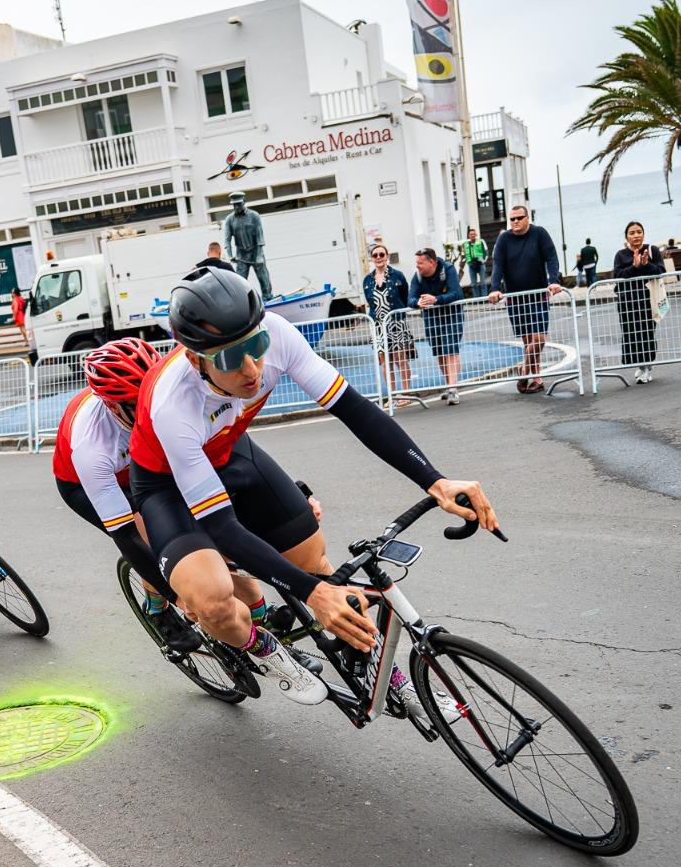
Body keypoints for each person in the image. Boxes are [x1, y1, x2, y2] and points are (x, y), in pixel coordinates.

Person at [128, 265, 496, 709]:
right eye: (229, 358)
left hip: (227, 453)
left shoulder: (278, 334)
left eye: (256, 346)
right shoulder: (173, 402)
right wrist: (312, 594)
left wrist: (434, 480)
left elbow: (355, 410)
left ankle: (372, 655)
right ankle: (262, 649)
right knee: (213, 602)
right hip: (165, 484)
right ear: (195, 359)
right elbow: (222, 526)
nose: (252, 369)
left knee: (314, 562)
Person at [54, 338, 202, 653]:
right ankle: (157, 608)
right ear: (112, 405)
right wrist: (179, 595)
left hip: (139, 464)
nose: (149, 408)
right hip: (83, 483)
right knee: (151, 538)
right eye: (137, 404)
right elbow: (128, 537)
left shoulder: (159, 403)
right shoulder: (91, 446)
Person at [488, 205, 563, 393]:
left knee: (539, 338)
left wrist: (553, 281)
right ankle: (537, 378)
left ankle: (524, 370)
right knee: (528, 340)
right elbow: (498, 265)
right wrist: (495, 288)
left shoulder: (539, 233)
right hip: (516, 298)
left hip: (538, 295)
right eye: (511, 219)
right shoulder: (504, 239)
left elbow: (551, 258)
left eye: (519, 218)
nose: (515, 222)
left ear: (527, 218)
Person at [612, 221, 667, 384]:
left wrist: (646, 264)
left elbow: (661, 271)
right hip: (627, 302)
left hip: (648, 300)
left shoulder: (652, 251)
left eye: (639, 232)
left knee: (647, 333)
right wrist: (634, 267)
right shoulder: (620, 255)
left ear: (644, 234)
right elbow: (618, 276)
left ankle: (647, 367)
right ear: (626, 236)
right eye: (632, 233)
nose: (636, 235)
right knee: (631, 335)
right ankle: (641, 365)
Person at [409, 248, 465, 405]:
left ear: (431, 262)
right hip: (431, 318)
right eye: (417, 263)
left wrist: (436, 299)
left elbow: (456, 293)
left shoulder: (447, 269)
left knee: (451, 349)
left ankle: (453, 389)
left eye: (420, 263)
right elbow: (410, 298)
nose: (417, 266)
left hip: (452, 315)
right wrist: (417, 303)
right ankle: (449, 385)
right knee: (440, 352)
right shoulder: (418, 276)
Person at [361, 245, 411, 398]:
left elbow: (405, 297)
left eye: (381, 254)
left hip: (396, 322)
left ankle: (405, 393)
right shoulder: (367, 280)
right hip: (378, 326)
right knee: (385, 361)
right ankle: (392, 394)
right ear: (371, 258)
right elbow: (370, 302)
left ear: (387, 256)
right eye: (375, 255)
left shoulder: (398, 276)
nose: (378, 257)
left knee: (400, 359)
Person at [223, 192, 272, 298]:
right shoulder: (229, 219)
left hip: (256, 252)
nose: (236, 207)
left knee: (263, 277)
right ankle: (242, 301)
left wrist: (259, 255)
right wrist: (230, 255)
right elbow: (227, 240)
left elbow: (260, 237)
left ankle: (268, 296)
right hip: (241, 256)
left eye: (239, 204)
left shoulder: (254, 216)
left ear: (244, 202)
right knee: (239, 282)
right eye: (234, 205)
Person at [462, 228, 488, 292]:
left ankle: (485, 299)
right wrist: (468, 262)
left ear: (476, 234)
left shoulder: (481, 241)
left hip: (480, 264)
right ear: (469, 235)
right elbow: (463, 254)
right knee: (473, 284)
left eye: (474, 234)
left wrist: (484, 261)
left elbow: (486, 252)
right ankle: (476, 300)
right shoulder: (465, 244)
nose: (473, 235)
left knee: (483, 283)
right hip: (471, 265)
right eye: (471, 234)